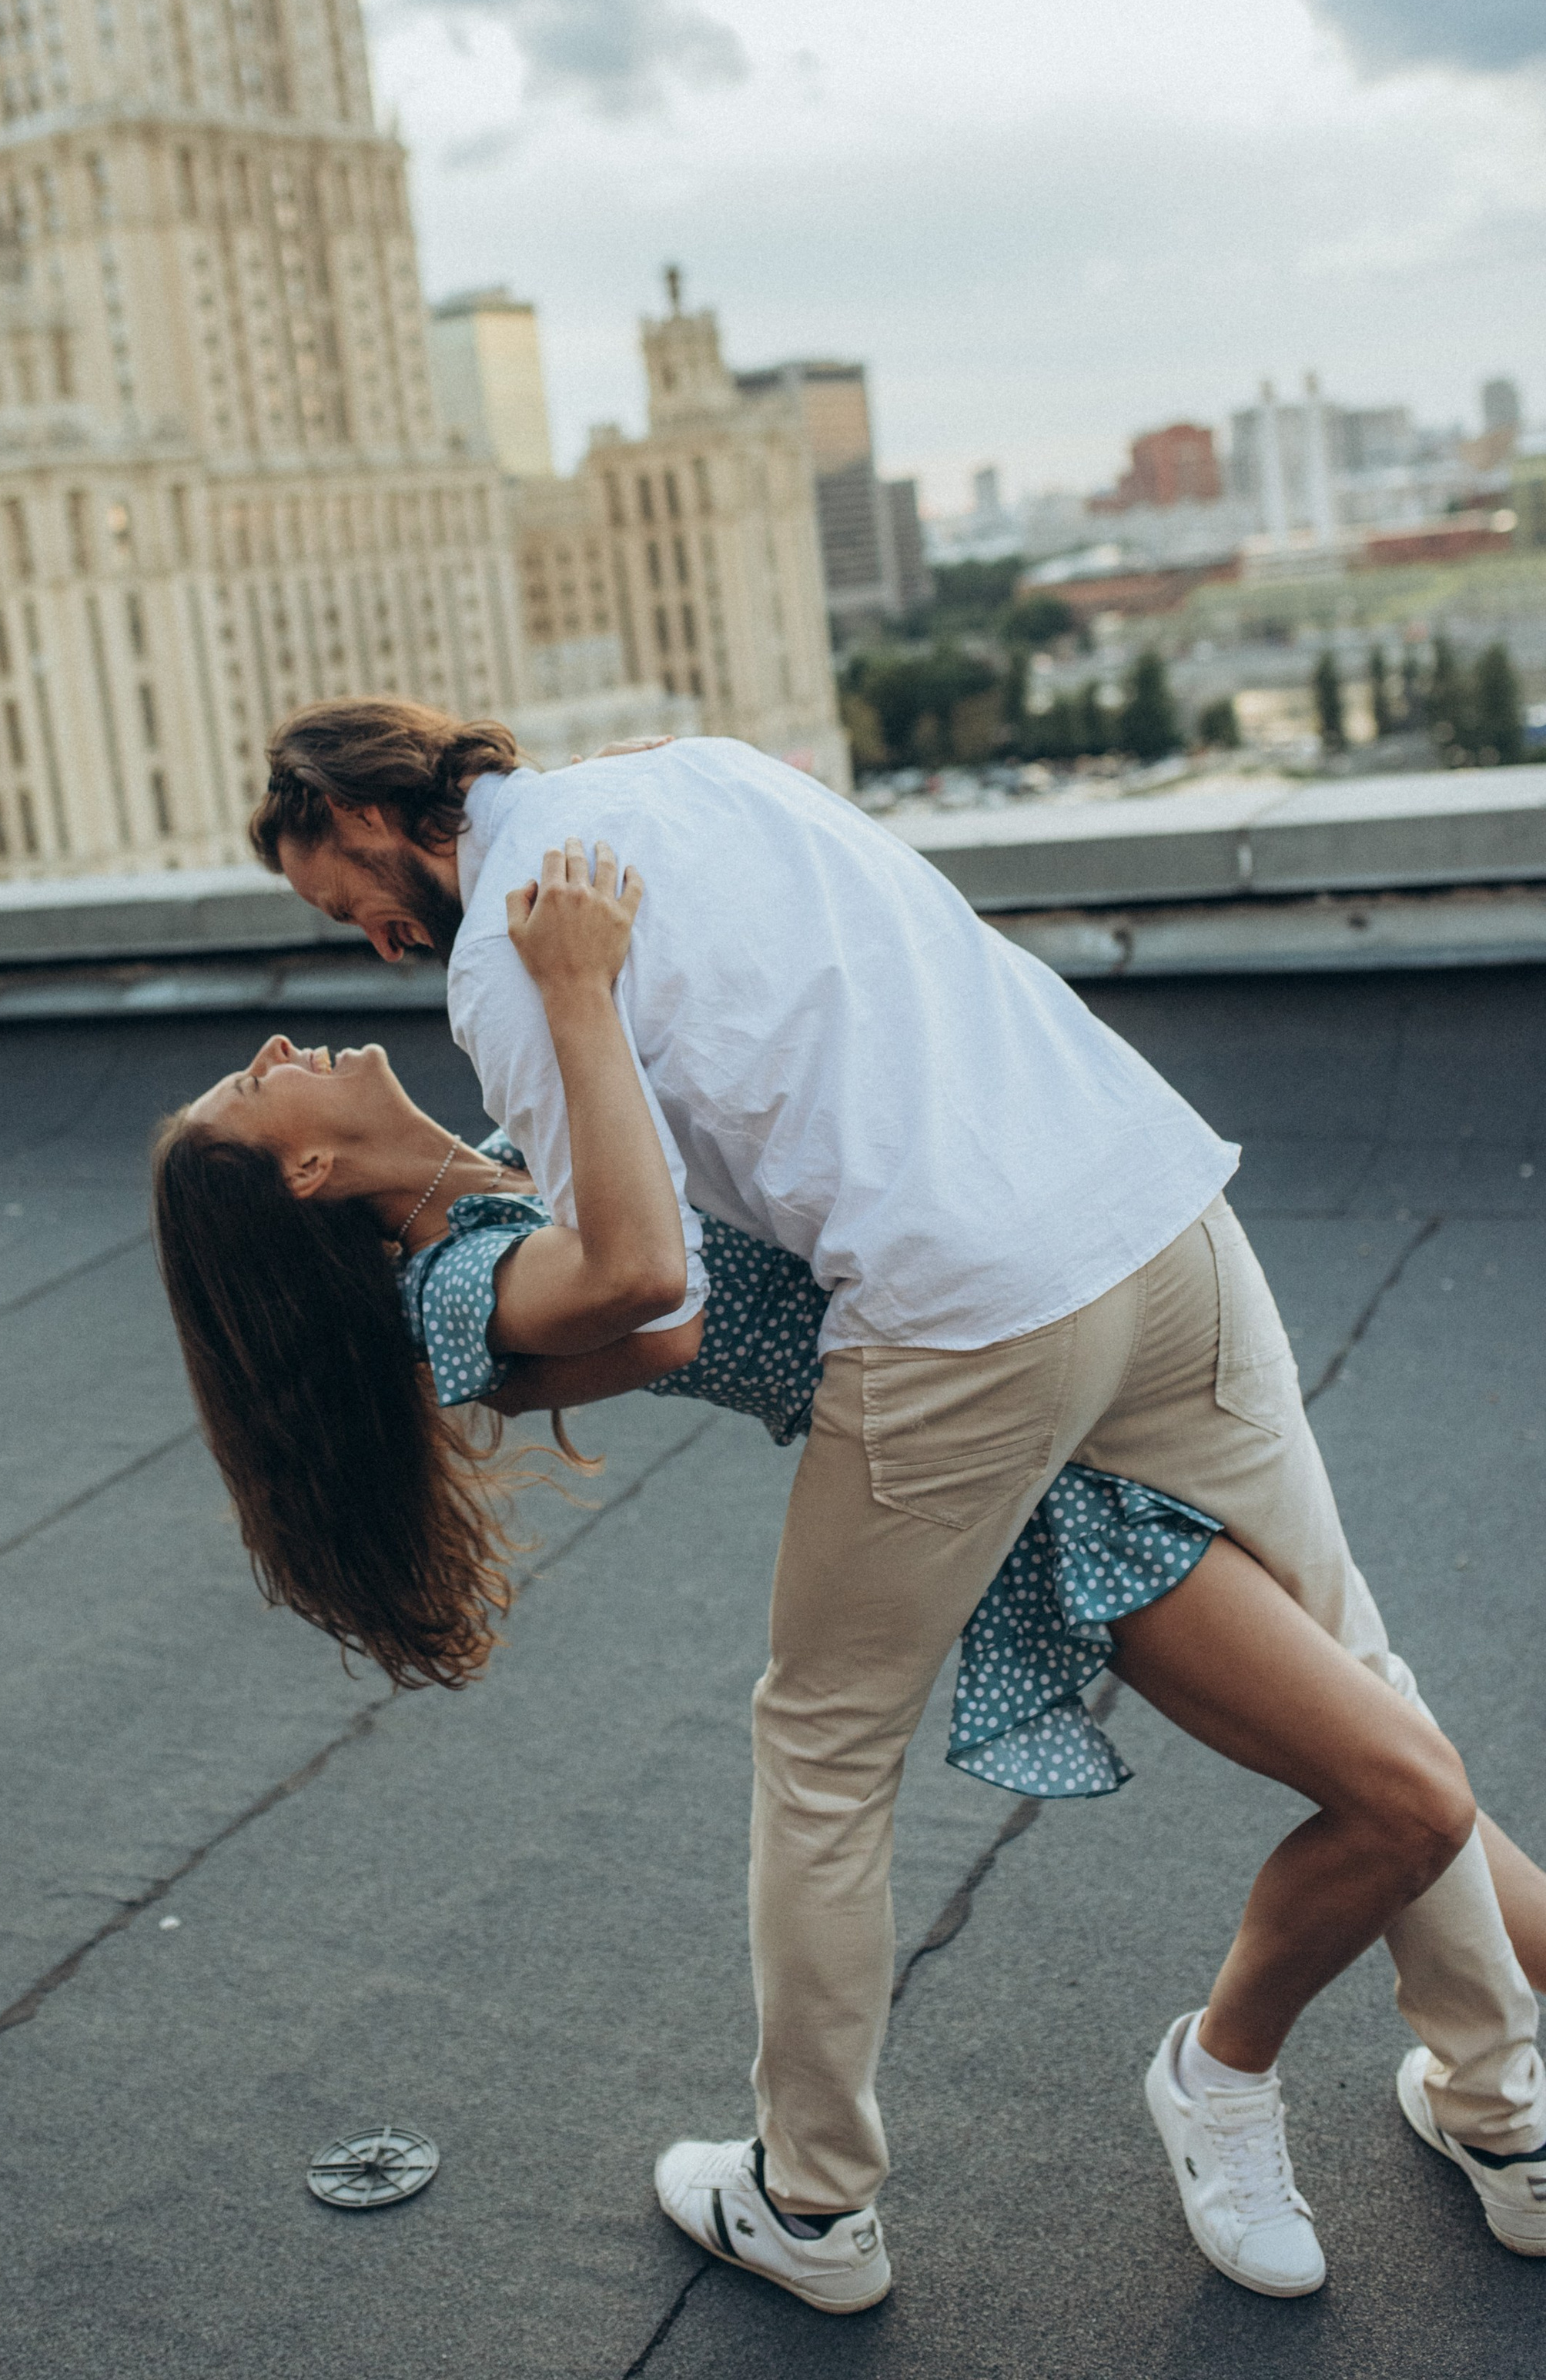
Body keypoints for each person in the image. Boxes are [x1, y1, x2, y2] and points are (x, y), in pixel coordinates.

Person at [220, 702, 1546, 2309]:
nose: (359, 957)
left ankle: (811, 2202)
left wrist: (561, 991)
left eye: (338, 903)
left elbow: (651, 1284)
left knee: (826, 1753)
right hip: (1132, 1182)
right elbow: (647, 1246)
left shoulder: (514, 961)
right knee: (1360, 1664)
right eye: (261, 1068)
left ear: (360, 820)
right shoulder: (680, 781)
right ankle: (1499, 2117)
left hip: (974, 1315)